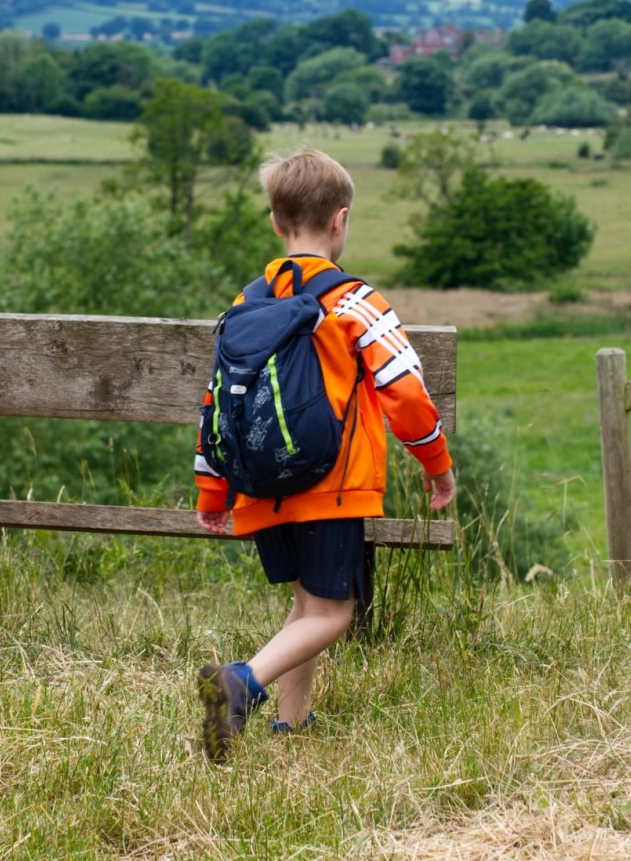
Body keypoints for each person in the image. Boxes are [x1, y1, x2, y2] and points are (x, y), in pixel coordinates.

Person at [193, 147, 457, 763]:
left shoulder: (246, 302)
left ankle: (294, 723)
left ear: (274, 222)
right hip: (331, 484)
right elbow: (406, 392)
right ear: (340, 220)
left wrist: (213, 489)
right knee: (334, 611)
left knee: (306, 605)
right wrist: (436, 466)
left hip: (260, 483)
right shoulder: (354, 300)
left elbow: (216, 402)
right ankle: (240, 685)